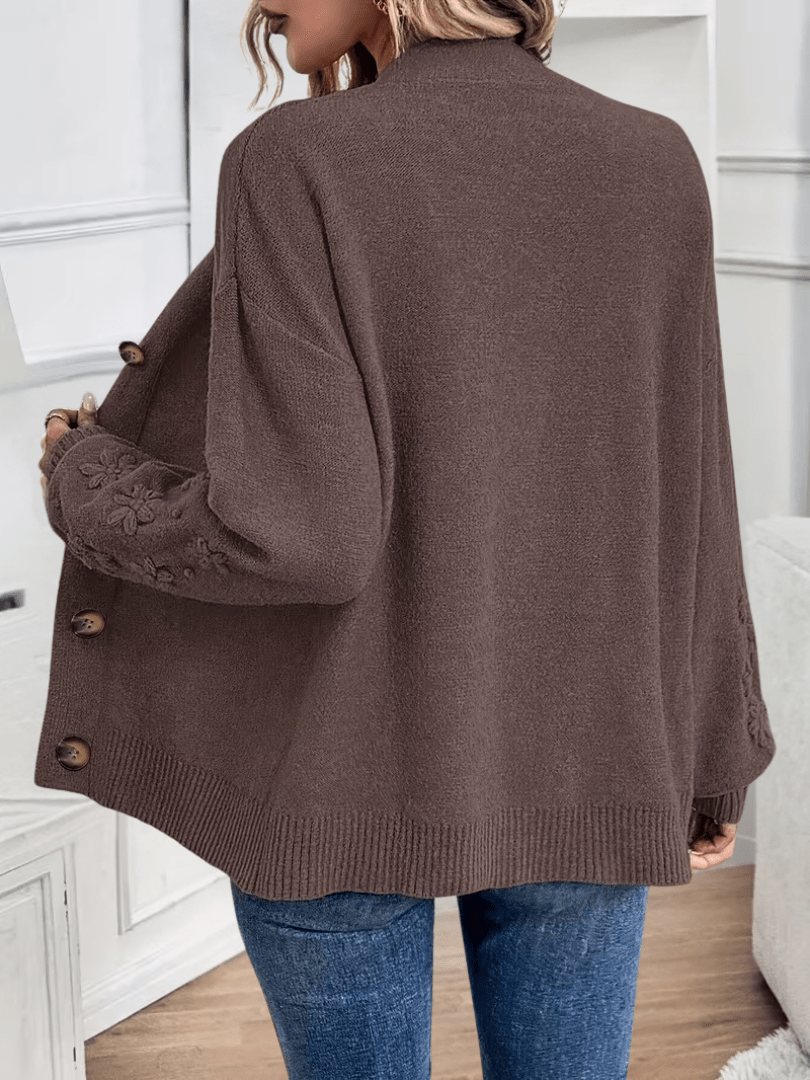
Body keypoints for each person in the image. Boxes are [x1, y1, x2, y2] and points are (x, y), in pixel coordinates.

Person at [35, 1, 775, 1077]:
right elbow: (691, 489)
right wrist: (715, 752)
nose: (263, 3)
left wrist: (81, 475)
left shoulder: (296, 159)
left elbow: (294, 534)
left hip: (338, 779)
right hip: (592, 759)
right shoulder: (654, 157)